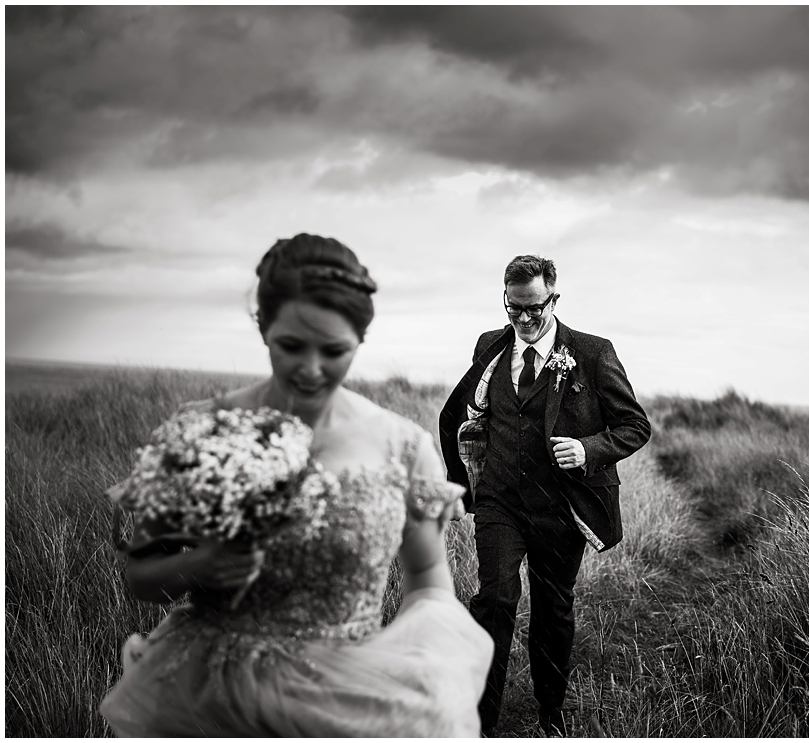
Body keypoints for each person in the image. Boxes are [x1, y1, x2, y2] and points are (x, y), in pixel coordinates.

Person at [99, 233, 493, 737]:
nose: (310, 369)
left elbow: (428, 579)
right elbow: (141, 579)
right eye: (290, 346)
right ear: (262, 325)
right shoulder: (203, 429)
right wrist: (201, 565)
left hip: (344, 697)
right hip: (208, 697)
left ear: (360, 341)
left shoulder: (402, 445)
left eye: (334, 351)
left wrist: (425, 678)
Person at [439, 255, 651, 736]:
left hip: (560, 507)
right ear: (506, 301)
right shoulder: (489, 346)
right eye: (515, 308)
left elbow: (635, 426)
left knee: (553, 609)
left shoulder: (593, 353)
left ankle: (549, 713)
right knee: (494, 599)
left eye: (535, 307)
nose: (525, 319)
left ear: (554, 298)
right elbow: (460, 414)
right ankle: (481, 721)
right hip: (499, 501)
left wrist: (588, 448)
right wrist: (460, 486)